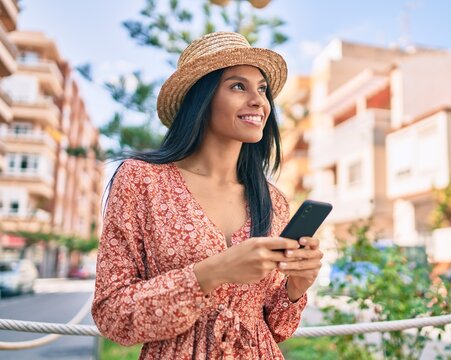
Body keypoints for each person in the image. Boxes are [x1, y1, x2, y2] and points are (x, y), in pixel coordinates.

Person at [92, 31, 324, 359]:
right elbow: (112, 315)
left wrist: (296, 287)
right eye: (238, 86)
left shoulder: (273, 201)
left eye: (262, 89)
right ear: (201, 99)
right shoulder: (141, 180)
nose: (259, 101)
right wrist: (211, 272)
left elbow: (275, 328)